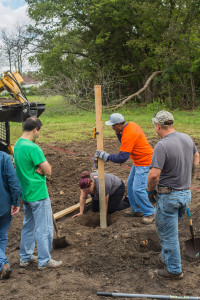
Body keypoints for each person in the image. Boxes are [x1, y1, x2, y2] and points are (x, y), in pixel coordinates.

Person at [146, 110, 199, 279]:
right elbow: (196, 157)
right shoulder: (186, 138)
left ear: (158, 126)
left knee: (169, 235)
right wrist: (190, 177)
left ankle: (174, 270)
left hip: (169, 197)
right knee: (170, 229)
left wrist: (149, 191)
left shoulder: (162, 145)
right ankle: (166, 257)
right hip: (185, 194)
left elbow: (154, 175)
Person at [14, 116, 62, 270]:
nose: (40, 133)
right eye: (40, 130)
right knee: (44, 227)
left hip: (26, 193)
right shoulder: (34, 148)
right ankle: (44, 260)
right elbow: (49, 170)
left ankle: (25, 257)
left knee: (28, 225)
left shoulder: (18, 144)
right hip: (38, 194)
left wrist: (38, 167)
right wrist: (42, 168)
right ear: (35, 129)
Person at [95, 113, 155, 224]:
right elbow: (125, 143)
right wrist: (118, 134)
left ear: (118, 124)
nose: (112, 128)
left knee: (138, 189)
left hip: (145, 162)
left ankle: (149, 212)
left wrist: (106, 156)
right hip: (138, 161)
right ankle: (136, 210)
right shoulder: (131, 125)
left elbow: (122, 157)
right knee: (131, 184)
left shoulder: (129, 134)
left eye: (113, 126)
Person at [0, 151, 22, 280]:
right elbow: (14, 181)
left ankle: (3, 264)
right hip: (4, 205)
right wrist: (15, 202)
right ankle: (2, 265)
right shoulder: (4, 157)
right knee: (2, 236)